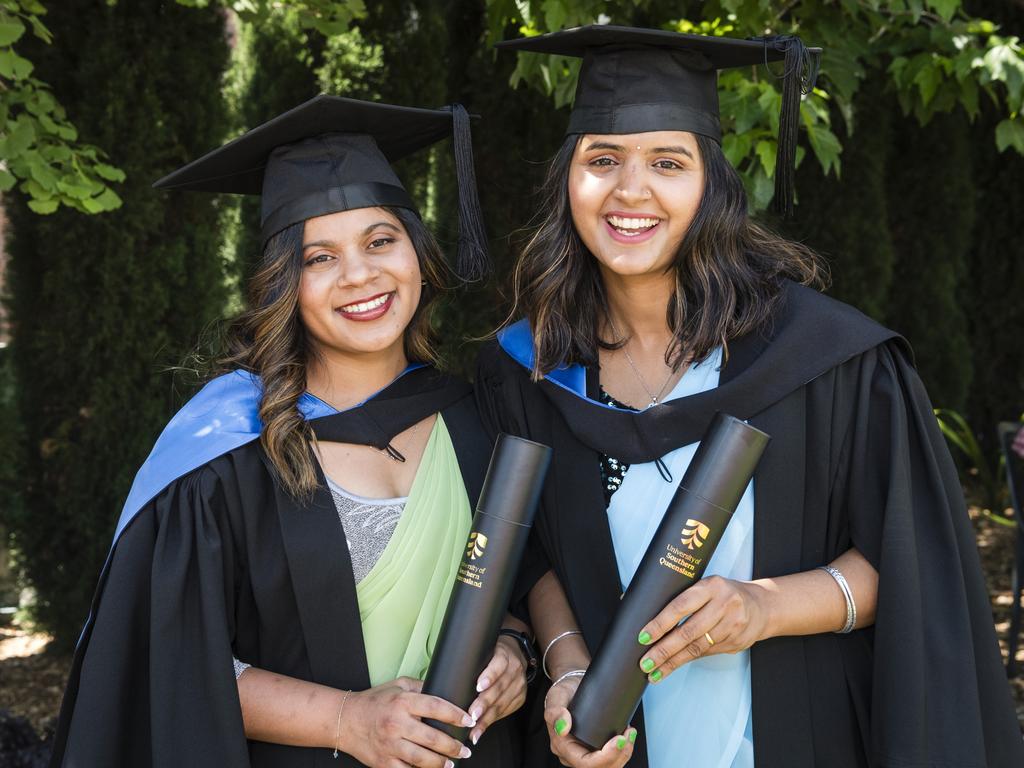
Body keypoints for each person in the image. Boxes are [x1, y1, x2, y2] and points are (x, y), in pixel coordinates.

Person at [477, 25, 1024, 768]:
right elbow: (531, 553)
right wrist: (569, 665)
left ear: (711, 185)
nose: (630, 189)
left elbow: (914, 557)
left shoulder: (826, 360)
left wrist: (763, 606)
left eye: (667, 162)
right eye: (601, 160)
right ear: (566, 183)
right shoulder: (529, 370)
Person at [50, 95, 531, 768]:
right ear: (285, 284)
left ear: (418, 254)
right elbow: (167, 663)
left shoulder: (476, 418)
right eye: (319, 257)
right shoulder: (226, 448)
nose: (360, 274)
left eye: (380, 240)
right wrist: (346, 720)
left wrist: (515, 651)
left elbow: (520, 589)